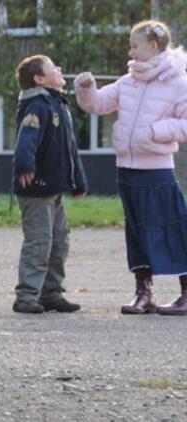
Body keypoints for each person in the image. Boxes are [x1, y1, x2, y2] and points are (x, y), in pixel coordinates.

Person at [75, 20, 187, 316]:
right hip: (126, 168)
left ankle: (186, 293)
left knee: (172, 228)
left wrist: (154, 131)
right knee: (136, 230)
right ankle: (144, 292)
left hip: (158, 169)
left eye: (135, 45)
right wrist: (86, 89)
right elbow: (97, 105)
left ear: (153, 46)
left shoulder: (178, 82)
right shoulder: (129, 81)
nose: (130, 50)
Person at [12, 54, 88, 314]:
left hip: (55, 190)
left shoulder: (59, 105)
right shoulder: (37, 106)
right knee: (39, 242)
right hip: (36, 189)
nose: (61, 68)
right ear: (40, 79)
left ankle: (51, 293)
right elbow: (26, 140)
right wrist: (25, 166)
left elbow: (70, 149)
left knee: (59, 242)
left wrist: (78, 181)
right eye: (54, 67)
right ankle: (26, 296)